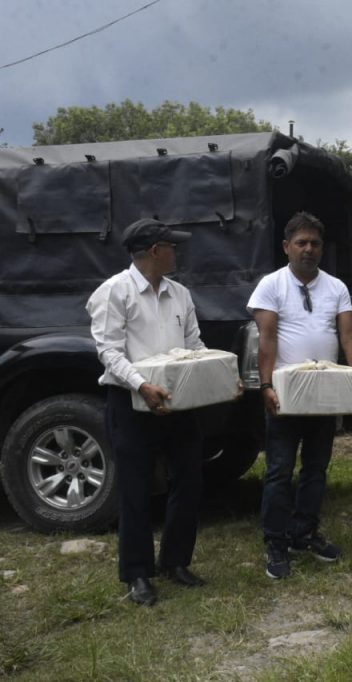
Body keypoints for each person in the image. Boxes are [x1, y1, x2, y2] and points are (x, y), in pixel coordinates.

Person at [86, 218, 207, 606]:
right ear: (155, 251)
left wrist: (219, 374)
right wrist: (141, 384)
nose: (178, 251)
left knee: (188, 481)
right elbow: (108, 351)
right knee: (135, 490)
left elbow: (194, 345)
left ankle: (176, 561)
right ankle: (137, 575)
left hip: (177, 399)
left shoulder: (180, 295)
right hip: (132, 402)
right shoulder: (114, 293)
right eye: (173, 246)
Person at [248, 211, 352, 580]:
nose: (309, 249)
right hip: (286, 394)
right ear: (287, 247)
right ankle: (276, 542)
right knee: (280, 471)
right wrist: (266, 385)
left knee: (316, 469)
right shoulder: (271, 285)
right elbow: (266, 339)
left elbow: (348, 335)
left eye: (315, 243)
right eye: (301, 243)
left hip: (324, 392)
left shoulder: (336, 287)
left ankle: (305, 533)